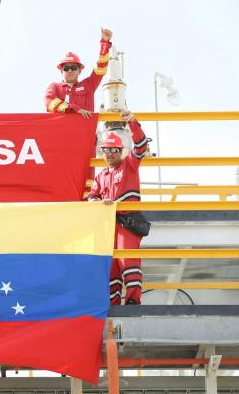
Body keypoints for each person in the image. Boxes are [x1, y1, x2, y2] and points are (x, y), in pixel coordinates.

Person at [88, 111, 150, 305]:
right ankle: (113, 303)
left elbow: (141, 146)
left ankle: (133, 302)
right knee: (112, 266)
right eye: (106, 150)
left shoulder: (129, 165)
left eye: (113, 150)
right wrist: (100, 203)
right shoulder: (101, 176)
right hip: (108, 225)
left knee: (128, 262)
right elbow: (92, 197)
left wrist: (132, 122)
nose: (109, 154)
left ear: (120, 151)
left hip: (127, 223)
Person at [44, 28, 113, 118]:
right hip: (61, 127)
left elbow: (101, 68)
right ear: (61, 71)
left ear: (79, 71)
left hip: (85, 127)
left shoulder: (88, 85)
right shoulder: (54, 87)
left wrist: (104, 44)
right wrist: (74, 109)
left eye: (73, 68)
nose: (70, 70)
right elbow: (49, 103)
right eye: (66, 68)